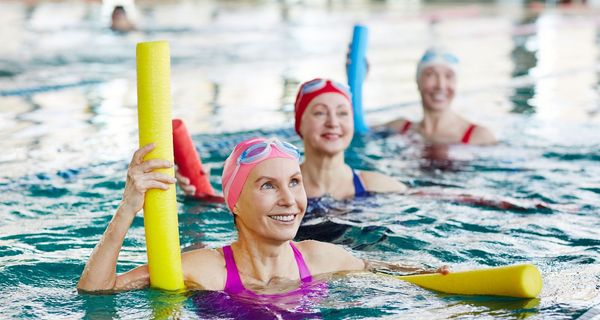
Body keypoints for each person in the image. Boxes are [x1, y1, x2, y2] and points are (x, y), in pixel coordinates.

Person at [77, 138, 448, 294]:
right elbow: (97, 290)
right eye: (268, 186)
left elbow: (382, 268)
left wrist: (437, 275)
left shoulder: (322, 257)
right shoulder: (205, 271)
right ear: (234, 202)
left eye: (294, 182)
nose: (289, 199)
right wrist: (128, 206)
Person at [177, 79, 408, 202]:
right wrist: (199, 196)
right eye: (319, 113)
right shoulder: (279, 186)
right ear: (300, 125)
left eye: (342, 113)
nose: (333, 122)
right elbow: (239, 208)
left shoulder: (377, 186)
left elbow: (430, 198)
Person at [384, 47, 496, 145]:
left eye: (448, 76)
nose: (440, 85)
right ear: (417, 81)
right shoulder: (399, 128)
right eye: (430, 75)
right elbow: (366, 130)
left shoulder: (480, 137)